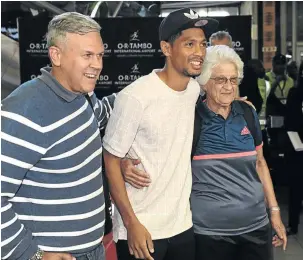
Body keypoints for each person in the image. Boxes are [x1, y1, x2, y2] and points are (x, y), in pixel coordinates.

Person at [1, 12, 138, 260]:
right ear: (56, 56)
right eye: (87, 55)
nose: (97, 65)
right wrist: (34, 255)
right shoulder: (25, 111)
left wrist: (151, 88)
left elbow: (103, 112)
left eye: (99, 55)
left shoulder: (80, 96)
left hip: (93, 250)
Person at [102, 8, 218, 260]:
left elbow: (221, 92)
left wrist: (240, 102)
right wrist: (131, 223)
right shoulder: (135, 97)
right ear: (166, 48)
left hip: (182, 225)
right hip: (141, 227)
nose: (199, 52)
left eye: (202, 44)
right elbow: (110, 159)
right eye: (189, 44)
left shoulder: (193, 90)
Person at [191, 45, 287, 260]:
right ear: (205, 82)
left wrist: (275, 212)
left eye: (233, 80)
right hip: (209, 233)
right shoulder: (191, 119)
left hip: (256, 227)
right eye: (220, 80)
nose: (228, 87)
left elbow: (260, 164)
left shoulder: (247, 112)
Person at [285, 61, 303, 236]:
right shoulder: (295, 94)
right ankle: (293, 224)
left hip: (298, 149)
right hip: (298, 148)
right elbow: (290, 123)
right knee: (296, 188)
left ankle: (293, 225)